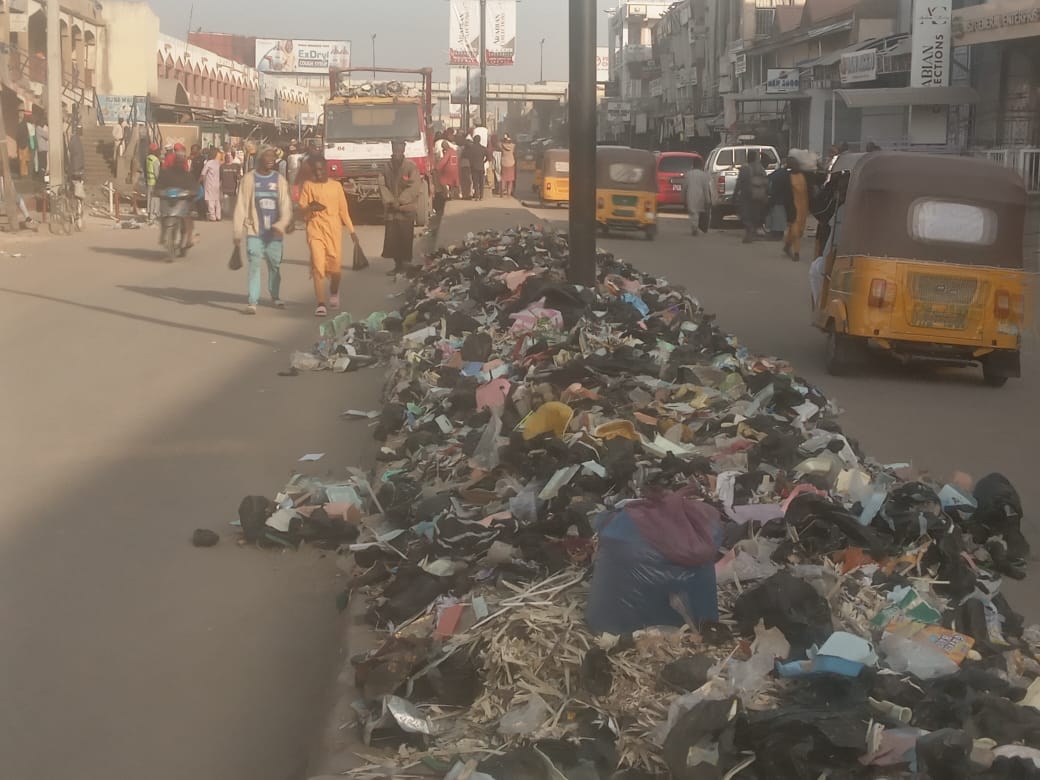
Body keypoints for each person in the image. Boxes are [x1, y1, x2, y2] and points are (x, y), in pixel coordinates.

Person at [233, 147, 293, 314]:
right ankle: (252, 301)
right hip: (255, 232)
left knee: (275, 265)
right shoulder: (249, 179)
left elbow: (286, 206)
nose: (271, 159)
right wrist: (237, 232)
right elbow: (241, 207)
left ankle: (275, 296)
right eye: (267, 156)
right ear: (259, 159)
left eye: (273, 156)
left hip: (274, 234)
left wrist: (281, 225)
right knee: (254, 265)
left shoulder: (279, 180)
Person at [297, 154, 360, 317]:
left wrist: (352, 231)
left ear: (326, 169)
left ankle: (333, 292)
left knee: (335, 268)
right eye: (315, 170)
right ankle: (320, 303)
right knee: (318, 265)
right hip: (315, 228)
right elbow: (302, 208)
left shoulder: (336, 186)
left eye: (321, 170)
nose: (318, 173)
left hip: (333, 230)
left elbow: (343, 211)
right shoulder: (308, 186)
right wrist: (311, 208)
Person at [379, 140, 422, 275]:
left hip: (406, 209)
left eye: (399, 149)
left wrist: (401, 200)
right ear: (392, 149)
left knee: (405, 237)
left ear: (403, 149)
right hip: (392, 209)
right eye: (395, 149)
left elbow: (414, 186)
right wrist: (391, 201)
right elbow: (382, 185)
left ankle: (405, 265)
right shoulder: (386, 167)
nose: (397, 151)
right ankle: (397, 266)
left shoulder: (411, 167)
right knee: (392, 239)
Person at [155, 145, 199, 250]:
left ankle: (189, 237)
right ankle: (163, 234)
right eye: (177, 159)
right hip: (169, 201)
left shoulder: (187, 175)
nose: (179, 162)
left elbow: (193, 187)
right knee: (163, 216)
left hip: (184, 202)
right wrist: (158, 191)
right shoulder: (166, 173)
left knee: (188, 216)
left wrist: (191, 192)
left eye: (181, 160)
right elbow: (159, 184)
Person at [733, 149, 768, 244]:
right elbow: (766, 182)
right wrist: (765, 194)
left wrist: (735, 194)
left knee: (745, 214)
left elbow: (739, 182)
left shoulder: (745, 168)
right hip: (758, 195)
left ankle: (749, 232)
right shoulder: (760, 168)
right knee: (755, 214)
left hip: (746, 195)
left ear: (748, 157)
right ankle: (751, 233)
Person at [781, 154, 811, 262]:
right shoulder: (787, 177)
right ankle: (796, 252)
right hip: (793, 207)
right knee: (795, 230)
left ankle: (787, 245)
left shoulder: (804, 175)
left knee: (799, 230)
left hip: (803, 207)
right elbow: (786, 194)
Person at [684, 157, 713, 236]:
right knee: (698, 212)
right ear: (701, 165)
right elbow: (706, 189)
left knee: (693, 213)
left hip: (690, 195)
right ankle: (696, 228)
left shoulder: (688, 174)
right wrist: (708, 201)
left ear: (693, 165)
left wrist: (683, 198)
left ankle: (694, 228)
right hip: (701, 197)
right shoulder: (704, 175)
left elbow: (684, 188)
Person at [467, 135, 491, 201]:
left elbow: (469, 157)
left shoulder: (471, 149)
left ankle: (477, 196)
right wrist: (483, 161)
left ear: (474, 140)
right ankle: (481, 196)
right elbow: (489, 158)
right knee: (481, 182)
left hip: (474, 167)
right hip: (481, 167)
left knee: (475, 182)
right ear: (480, 140)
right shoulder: (483, 148)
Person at [201, 147, 222, 221]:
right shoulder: (218, 163)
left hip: (209, 184)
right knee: (217, 200)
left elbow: (203, 173)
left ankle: (212, 216)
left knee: (210, 200)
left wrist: (201, 182)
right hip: (217, 184)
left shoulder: (209, 163)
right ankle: (218, 215)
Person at [220, 153, 243, 219]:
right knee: (226, 205)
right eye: (227, 156)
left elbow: (240, 176)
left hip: (234, 189)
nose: (228, 158)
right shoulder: (222, 166)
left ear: (233, 158)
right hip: (225, 188)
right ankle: (226, 216)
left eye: (229, 157)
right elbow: (220, 177)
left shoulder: (236, 166)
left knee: (233, 204)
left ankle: (232, 216)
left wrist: (239, 177)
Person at [145, 143, 162, 225]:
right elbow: (157, 173)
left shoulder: (148, 158)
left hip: (149, 181)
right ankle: (153, 216)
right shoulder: (155, 160)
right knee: (155, 200)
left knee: (149, 199)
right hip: (155, 182)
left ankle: (149, 214)